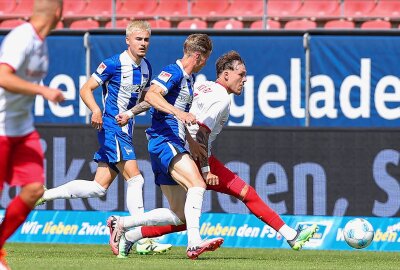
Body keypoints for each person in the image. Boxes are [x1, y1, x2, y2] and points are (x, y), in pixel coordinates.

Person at [114, 51, 318, 258]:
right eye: (241, 74)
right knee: (244, 193)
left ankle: (127, 232)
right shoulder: (221, 97)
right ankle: (290, 235)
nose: (245, 79)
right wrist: (206, 169)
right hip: (190, 154)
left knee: (181, 217)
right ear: (226, 74)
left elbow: (157, 98)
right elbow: (201, 134)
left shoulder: (200, 86)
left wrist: (131, 113)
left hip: (173, 148)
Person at [34, 20, 171, 255]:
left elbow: (144, 101)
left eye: (147, 40)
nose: (143, 44)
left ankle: (45, 194)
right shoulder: (113, 64)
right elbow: (86, 88)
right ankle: (140, 239)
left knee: (99, 187)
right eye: (138, 39)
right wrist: (96, 110)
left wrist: (132, 113)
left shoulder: (147, 67)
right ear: (127, 40)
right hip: (111, 127)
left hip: (125, 128)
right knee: (136, 179)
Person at [107, 33, 224, 260]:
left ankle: (122, 225)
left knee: (179, 213)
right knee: (197, 184)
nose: (205, 64)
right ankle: (193, 244)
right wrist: (177, 112)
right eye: (206, 59)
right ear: (198, 56)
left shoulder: (188, 80)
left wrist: (191, 142)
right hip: (164, 141)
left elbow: (155, 101)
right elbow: (152, 95)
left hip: (172, 142)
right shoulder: (174, 71)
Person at [0, 0, 65, 269]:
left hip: (23, 129)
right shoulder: (21, 37)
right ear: (59, 14)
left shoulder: (41, 42)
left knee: (34, 189)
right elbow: (2, 76)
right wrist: (43, 91)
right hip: (1, 127)